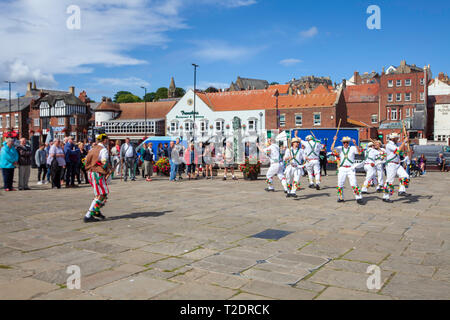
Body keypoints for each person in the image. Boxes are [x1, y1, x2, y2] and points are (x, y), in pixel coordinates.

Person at [84, 134, 112, 223]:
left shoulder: (93, 148)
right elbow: (104, 162)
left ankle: (96, 211)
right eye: (106, 139)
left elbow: (86, 161)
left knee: (102, 194)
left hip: (91, 173)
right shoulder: (103, 150)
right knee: (101, 194)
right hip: (97, 173)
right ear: (104, 140)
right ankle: (88, 215)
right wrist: (108, 170)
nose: (107, 141)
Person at [332, 136, 363, 204]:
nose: (345, 143)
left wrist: (355, 144)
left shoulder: (352, 148)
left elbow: (359, 152)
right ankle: (340, 197)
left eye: (347, 142)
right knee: (340, 183)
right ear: (342, 143)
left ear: (349, 143)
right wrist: (334, 140)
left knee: (354, 183)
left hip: (350, 168)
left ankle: (358, 197)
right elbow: (332, 149)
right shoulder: (340, 148)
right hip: (342, 168)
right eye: (344, 142)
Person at [382, 133, 410, 203]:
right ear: (393, 138)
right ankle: (385, 196)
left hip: (397, 164)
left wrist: (406, 142)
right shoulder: (389, 145)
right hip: (391, 165)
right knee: (389, 181)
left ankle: (401, 191)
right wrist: (404, 142)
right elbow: (398, 151)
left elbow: (400, 150)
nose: (398, 139)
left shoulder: (395, 144)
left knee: (405, 176)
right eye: (397, 138)